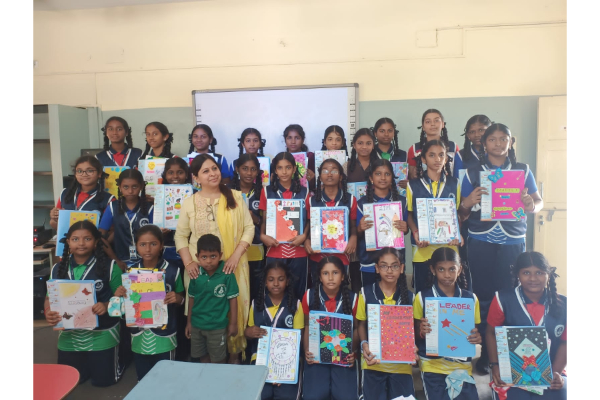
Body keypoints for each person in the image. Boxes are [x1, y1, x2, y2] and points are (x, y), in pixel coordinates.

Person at [459, 123, 543, 374]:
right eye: (492, 139)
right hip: (481, 240)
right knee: (484, 295)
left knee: (512, 294)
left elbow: (538, 203)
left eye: (503, 139)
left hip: (512, 239)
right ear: (484, 144)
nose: (498, 144)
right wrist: (468, 202)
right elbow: (461, 214)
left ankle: (512, 354)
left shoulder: (522, 170)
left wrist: (530, 204)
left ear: (510, 142)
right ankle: (487, 355)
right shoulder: (472, 172)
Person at [175, 154, 254, 363]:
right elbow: (180, 236)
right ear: (196, 178)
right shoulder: (190, 203)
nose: (212, 174)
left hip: (231, 267)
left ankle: (234, 357)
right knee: (206, 314)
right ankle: (208, 364)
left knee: (233, 313)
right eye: (205, 171)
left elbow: (249, 228)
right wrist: (189, 262)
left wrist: (235, 256)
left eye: (214, 168)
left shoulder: (235, 197)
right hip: (200, 270)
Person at [44, 221, 123, 387]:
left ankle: (121, 357)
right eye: (75, 239)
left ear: (96, 242)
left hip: (102, 332)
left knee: (103, 382)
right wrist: (48, 312)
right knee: (70, 382)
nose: (81, 243)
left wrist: (106, 305)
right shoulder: (57, 269)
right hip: (69, 334)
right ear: (68, 242)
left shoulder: (110, 266)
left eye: (87, 239)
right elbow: (49, 299)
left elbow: (123, 300)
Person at [486, 251, 566, 400]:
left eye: (539, 272)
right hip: (511, 370)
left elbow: (565, 342)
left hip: (551, 368)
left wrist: (556, 373)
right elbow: (491, 333)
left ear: (548, 274)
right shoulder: (502, 298)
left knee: (560, 394)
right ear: (517, 274)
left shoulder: (564, 304)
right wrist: (495, 365)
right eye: (526, 272)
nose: (533, 278)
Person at [113, 225, 185, 380]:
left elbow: (181, 298)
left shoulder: (173, 270)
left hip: (165, 335)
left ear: (161, 245)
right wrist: (118, 296)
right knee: (143, 378)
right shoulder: (130, 272)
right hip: (139, 334)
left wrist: (178, 298)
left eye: (153, 244)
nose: (148, 249)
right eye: (142, 244)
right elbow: (120, 309)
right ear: (136, 246)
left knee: (166, 378)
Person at [413, 248, 481, 400]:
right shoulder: (422, 297)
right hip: (432, 364)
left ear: (459, 269)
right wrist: (421, 330)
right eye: (441, 269)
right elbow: (415, 333)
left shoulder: (470, 299)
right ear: (433, 269)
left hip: (461, 365)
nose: (447, 275)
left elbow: (474, 332)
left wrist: (476, 338)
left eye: (452, 269)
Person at [357, 247, 416, 400]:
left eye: (394, 266)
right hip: (373, 362)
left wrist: (413, 346)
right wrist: (364, 343)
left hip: (401, 365)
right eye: (384, 266)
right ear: (377, 268)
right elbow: (361, 324)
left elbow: (414, 329)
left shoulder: (411, 297)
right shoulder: (365, 293)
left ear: (401, 268)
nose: (389, 270)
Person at [406, 140, 462, 294]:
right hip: (422, 248)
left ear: (446, 158)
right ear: (423, 159)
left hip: (449, 247)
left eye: (441, 155)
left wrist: (457, 233)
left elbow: (456, 213)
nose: (437, 159)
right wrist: (415, 232)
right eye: (432, 155)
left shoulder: (454, 183)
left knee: (447, 292)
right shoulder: (413, 185)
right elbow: (409, 214)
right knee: (423, 292)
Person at [302, 256, 360, 400]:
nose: (330, 278)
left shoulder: (353, 299)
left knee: (346, 397)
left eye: (335, 273)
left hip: (343, 357)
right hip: (317, 357)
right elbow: (307, 325)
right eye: (325, 273)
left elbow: (357, 329)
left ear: (343, 276)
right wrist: (307, 350)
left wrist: (352, 352)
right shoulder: (309, 296)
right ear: (320, 277)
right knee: (313, 396)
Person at [245, 261, 304, 400]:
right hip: (261, 359)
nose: (276, 283)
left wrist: (280, 373)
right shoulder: (256, 304)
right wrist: (248, 332)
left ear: (287, 281)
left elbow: (297, 340)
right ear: (265, 282)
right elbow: (248, 332)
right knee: (260, 395)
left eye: (281, 279)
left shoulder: (295, 305)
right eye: (271, 280)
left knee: (287, 395)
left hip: (288, 361)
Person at [259, 152, 310, 300]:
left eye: (288, 167)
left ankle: (298, 315)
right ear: (275, 170)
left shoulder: (305, 192)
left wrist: (304, 235)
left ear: (294, 169)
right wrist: (262, 236)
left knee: (298, 291)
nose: (284, 172)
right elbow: (264, 219)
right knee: (274, 291)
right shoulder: (266, 191)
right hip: (275, 248)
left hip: (298, 249)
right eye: (280, 168)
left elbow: (309, 219)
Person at [185, 234, 239, 363]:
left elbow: (233, 299)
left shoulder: (227, 274)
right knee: (202, 357)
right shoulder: (196, 274)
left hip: (217, 327)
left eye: (213, 256)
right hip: (197, 325)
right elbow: (191, 299)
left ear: (220, 255)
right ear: (197, 257)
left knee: (219, 359)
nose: (208, 261)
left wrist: (233, 323)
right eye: (204, 257)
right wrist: (189, 322)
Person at [159, 157, 192, 360]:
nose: (175, 176)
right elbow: (152, 230)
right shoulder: (159, 197)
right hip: (167, 256)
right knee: (170, 300)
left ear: (187, 175)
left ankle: (186, 348)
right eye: (171, 172)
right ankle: (170, 345)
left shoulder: (194, 196)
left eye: (180, 172)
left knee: (188, 301)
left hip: (188, 255)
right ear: (165, 175)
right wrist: (160, 230)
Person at [356, 159, 408, 288]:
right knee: (370, 295)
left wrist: (405, 228)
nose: (383, 178)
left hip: (394, 262)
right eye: (378, 174)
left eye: (387, 174)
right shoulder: (362, 204)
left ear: (392, 178)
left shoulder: (402, 202)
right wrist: (360, 228)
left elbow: (405, 230)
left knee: (396, 295)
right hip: (369, 261)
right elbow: (357, 233)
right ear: (371, 178)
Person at [305, 158, 357, 282]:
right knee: (318, 287)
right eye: (325, 171)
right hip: (317, 254)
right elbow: (308, 225)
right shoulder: (311, 200)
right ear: (320, 177)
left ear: (340, 177)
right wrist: (306, 241)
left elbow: (353, 225)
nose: (329, 174)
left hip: (341, 254)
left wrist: (354, 237)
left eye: (334, 171)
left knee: (341, 287)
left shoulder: (350, 199)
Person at [99, 169, 153, 271]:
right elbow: (100, 237)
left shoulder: (150, 207)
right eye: (126, 187)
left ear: (141, 186)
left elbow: (156, 237)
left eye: (135, 186)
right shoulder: (112, 207)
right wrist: (115, 260)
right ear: (120, 187)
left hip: (146, 262)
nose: (130, 191)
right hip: (121, 261)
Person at [229, 154, 265, 302]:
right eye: (245, 169)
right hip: (232, 249)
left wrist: (255, 218)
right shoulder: (227, 192)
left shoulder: (262, 192)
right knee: (234, 291)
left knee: (254, 291)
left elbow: (269, 222)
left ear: (258, 171)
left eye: (253, 169)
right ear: (237, 169)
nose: (249, 173)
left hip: (255, 248)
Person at [50, 155, 114, 230]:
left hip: (94, 237)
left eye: (90, 171)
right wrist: (54, 218)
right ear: (75, 174)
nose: (84, 174)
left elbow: (111, 230)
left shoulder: (109, 199)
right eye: (79, 171)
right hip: (67, 237)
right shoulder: (65, 193)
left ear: (99, 173)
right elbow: (54, 224)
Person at [407, 109, 462, 179]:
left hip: (449, 185)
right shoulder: (414, 149)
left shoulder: (453, 147)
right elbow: (411, 176)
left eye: (436, 120)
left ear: (443, 124)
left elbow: (458, 174)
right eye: (428, 122)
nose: (432, 124)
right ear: (423, 127)